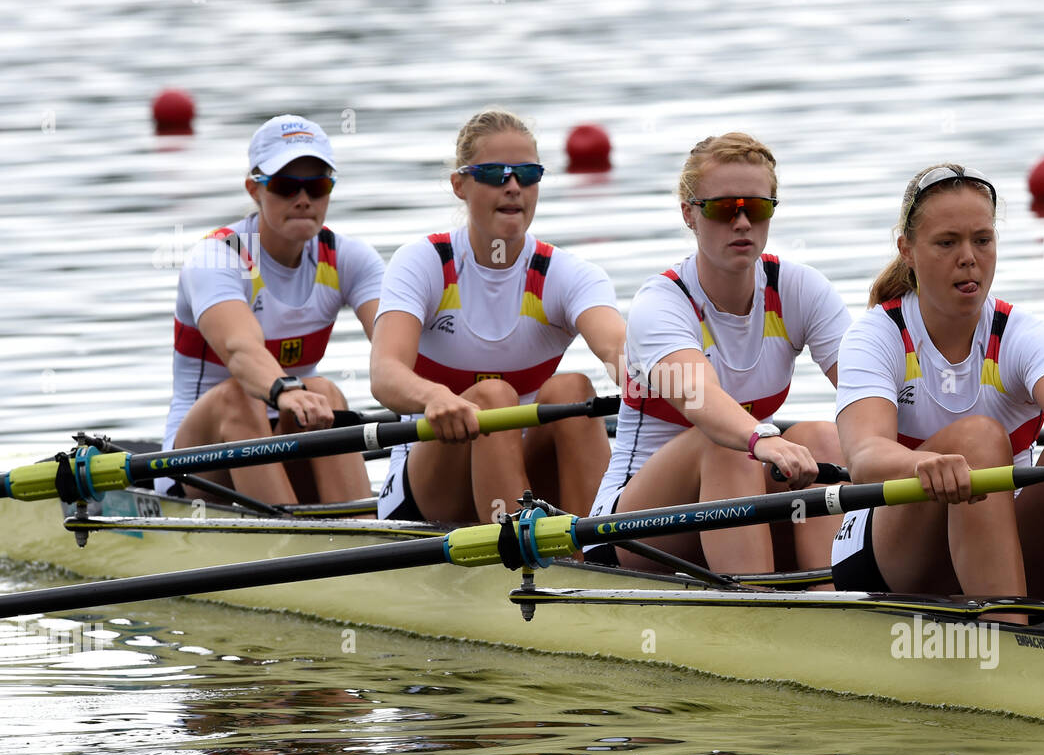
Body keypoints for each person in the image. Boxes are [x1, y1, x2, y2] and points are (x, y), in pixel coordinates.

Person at [832, 163, 1044, 602]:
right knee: (977, 440)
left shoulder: (1021, 332)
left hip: (993, 538)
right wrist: (920, 466)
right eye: (947, 242)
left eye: (982, 240)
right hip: (889, 559)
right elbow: (864, 455)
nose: (969, 257)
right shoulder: (875, 337)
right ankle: (1007, 629)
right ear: (907, 250)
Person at [589, 133, 850, 573]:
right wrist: (760, 438)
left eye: (757, 207)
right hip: (634, 532)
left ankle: (835, 600)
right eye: (724, 208)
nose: (743, 222)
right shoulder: (661, 302)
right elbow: (699, 397)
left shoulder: (800, 290)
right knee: (729, 446)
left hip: (737, 502)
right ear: (690, 214)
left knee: (823, 436)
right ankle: (756, 609)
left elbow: (867, 393)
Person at [371, 109, 625, 524]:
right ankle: (518, 558)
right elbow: (384, 373)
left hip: (525, 470)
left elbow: (618, 347)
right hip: (430, 486)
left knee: (573, 391)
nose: (513, 187)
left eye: (527, 174)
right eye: (494, 174)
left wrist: (663, 377)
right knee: (492, 397)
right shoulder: (425, 263)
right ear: (460, 185)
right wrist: (436, 398)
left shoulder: (568, 274)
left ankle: (593, 559)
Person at [162, 114, 383, 504]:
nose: (303, 200)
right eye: (285, 186)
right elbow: (239, 349)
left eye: (316, 186)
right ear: (254, 189)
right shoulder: (218, 257)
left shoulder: (350, 258)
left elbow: (397, 350)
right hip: (198, 464)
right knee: (240, 395)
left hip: (285, 439)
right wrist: (282, 388)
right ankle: (291, 539)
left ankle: (359, 529)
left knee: (324, 391)